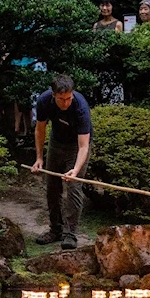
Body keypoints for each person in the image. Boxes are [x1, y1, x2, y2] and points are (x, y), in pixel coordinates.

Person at [31, 74, 93, 250]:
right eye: (61, 99)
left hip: (76, 146)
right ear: (53, 95)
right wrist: (39, 158)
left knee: (74, 187)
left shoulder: (80, 107)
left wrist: (75, 169)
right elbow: (40, 129)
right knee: (52, 187)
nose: (65, 103)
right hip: (57, 143)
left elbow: (84, 146)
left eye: (68, 98)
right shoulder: (44, 101)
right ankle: (55, 229)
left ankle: (70, 234)